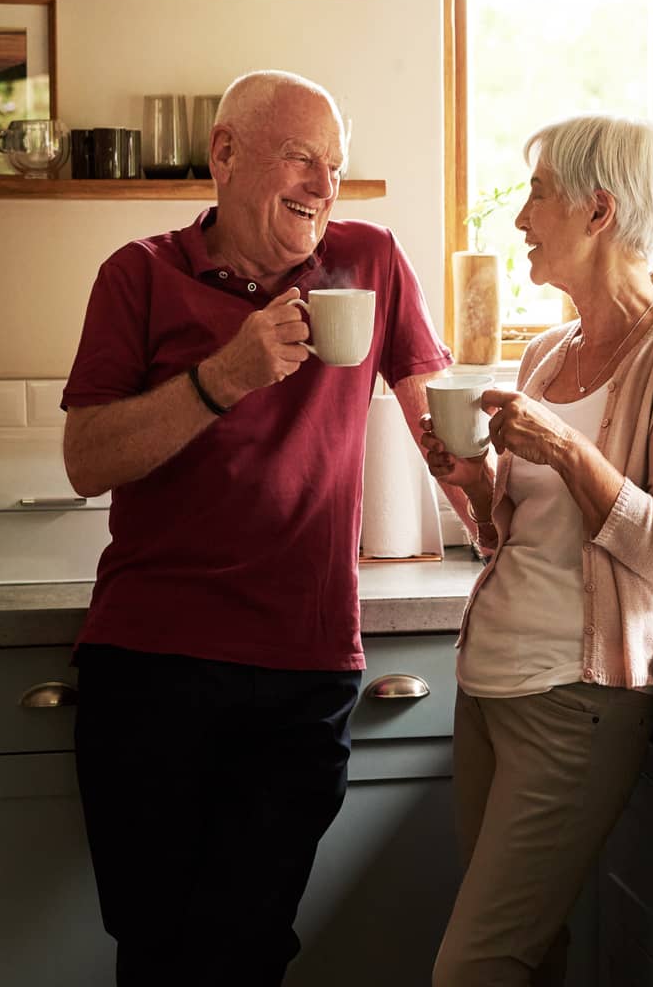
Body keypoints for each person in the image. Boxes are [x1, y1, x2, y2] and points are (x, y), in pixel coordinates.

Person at [59, 70, 462, 986]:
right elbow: (87, 459)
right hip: (152, 664)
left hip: (303, 669)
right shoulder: (139, 275)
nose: (324, 187)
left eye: (336, 166)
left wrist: (495, 494)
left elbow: (436, 427)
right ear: (226, 155)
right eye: (300, 158)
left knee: (246, 948)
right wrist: (224, 376)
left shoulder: (370, 260)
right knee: (159, 950)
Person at [423, 114, 653, 986]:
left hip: (575, 701)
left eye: (537, 195)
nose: (522, 219)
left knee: (474, 968)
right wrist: (471, 482)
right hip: (487, 686)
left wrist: (564, 448)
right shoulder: (546, 354)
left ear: (598, 212)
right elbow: (508, 539)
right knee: (530, 955)